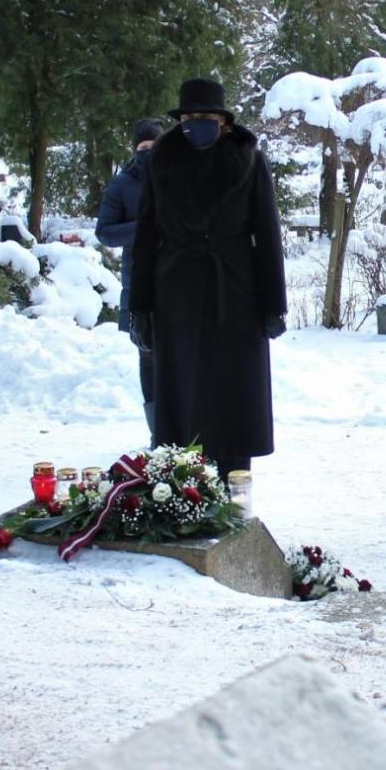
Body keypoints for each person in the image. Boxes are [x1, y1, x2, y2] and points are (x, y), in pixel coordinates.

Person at [128, 78, 287, 477]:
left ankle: (235, 486)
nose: (197, 124)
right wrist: (140, 307)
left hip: (236, 292)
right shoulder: (161, 160)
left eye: (207, 117)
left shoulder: (249, 159)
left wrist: (274, 304)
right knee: (183, 396)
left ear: (224, 122)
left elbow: (267, 235)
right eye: (189, 117)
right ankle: (187, 486)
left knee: (234, 398)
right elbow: (145, 237)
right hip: (176, 292)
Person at [96, 117, 166, 440]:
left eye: (154, 146)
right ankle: (158, 434)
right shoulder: (122, 184)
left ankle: (183, 431)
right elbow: (105, 232)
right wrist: (144, 229)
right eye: (143, 147)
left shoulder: (176, 178)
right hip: (139, 285)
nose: (148, 153)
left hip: (178, 283)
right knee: (148, 356)